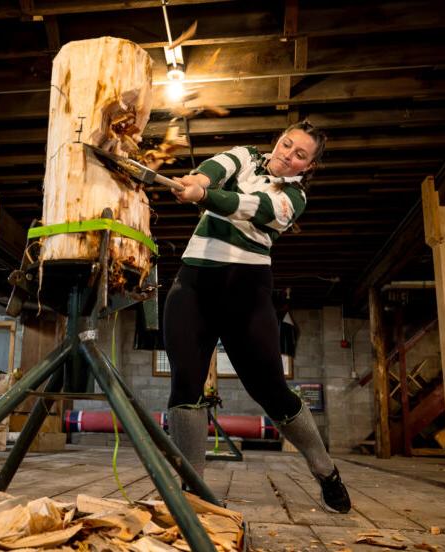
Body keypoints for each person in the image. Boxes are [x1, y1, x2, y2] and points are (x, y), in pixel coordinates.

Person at [163, 121, 351, 514]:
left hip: (246, 290)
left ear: (309, 166)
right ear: (278, 140)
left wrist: (205, 195)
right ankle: (193, 490)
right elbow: (216, 166)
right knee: (185, 384)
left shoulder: (294, 198)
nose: (288, 155)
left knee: (270, 390)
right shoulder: (247, 155)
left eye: (300, 154)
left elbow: (254, 208)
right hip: (193, 281)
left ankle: (324, 468)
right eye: (287, 144)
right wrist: (198, 180)